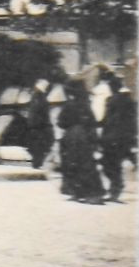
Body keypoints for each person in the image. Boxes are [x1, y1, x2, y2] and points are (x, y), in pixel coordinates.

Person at [58, 81, 105, 204]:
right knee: (87, 165)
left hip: (72, 137)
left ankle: (77, 193)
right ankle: (94, 194)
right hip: (85, 137)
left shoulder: (69, 105)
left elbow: (61, 122)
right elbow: (93, 123)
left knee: (72, 164)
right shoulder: (86, 105)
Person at [99, 73, 136, 202]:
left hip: (112, 138)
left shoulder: (112, 101)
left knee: (109, 164)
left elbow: (106, 120)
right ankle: (115, 189)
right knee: (114, 164)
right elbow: (131, 122)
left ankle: (115, 189)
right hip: (121, 138)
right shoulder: (128, 101)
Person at [25, 77, 55, 170]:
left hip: (36, 126)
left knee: (39, 146)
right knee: (42, 145)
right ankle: (38, 164)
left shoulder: (36, 95)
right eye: (45, 86)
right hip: (40, 126)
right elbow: (40, 112)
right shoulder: (40, 96)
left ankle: (37, 163)